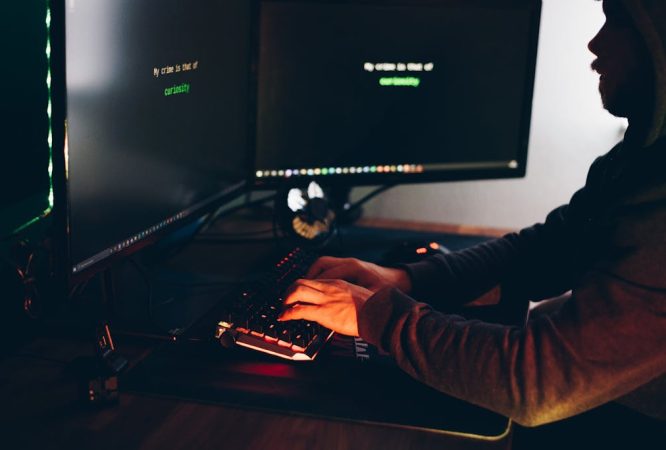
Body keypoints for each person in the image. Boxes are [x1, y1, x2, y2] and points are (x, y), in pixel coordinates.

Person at [279, 0, 666, 435]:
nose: (594, 45)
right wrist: (402, 280)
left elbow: (539, 383)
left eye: (618, 23)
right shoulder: (641, 160)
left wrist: (374, 315)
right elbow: (547, 249)